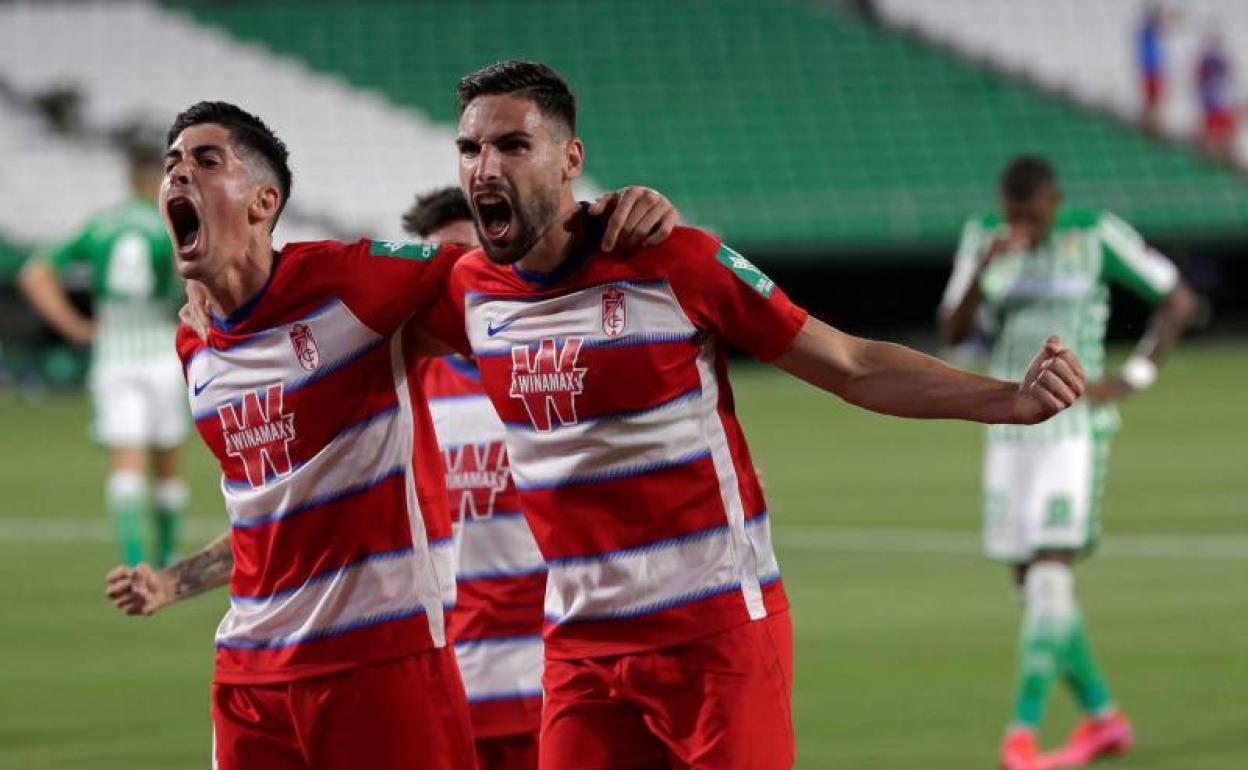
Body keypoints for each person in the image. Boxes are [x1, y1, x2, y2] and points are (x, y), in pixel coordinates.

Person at [418, 60, 1087, 770]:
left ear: (569, 158)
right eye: (470, 149)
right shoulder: (469, 292)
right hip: (581, 650)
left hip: (715, 635)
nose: (485, 166)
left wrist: (1006, 399)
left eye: (513, 145)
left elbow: (852, 366)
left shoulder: (674, 262)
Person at [101, 100, 678, 770]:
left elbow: (512, 279)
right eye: (172, 163)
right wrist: (174, 583)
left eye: (205, 160)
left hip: (378, 662)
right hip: (249, 676)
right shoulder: (195, 344)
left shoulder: (351, 285)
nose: (177, 175)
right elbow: (274, 514)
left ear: (263, 202)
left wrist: (609, 218)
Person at [940, 156, 1196, 770]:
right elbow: (952, 329)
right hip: (1007, 423)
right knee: (1030, 583)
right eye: (1013, 214)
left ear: (1054, 201)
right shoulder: (983, 239)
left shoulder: (1095, 234)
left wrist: (1132, 377)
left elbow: (1177, 300)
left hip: (1071, 428)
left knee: (1052, 569)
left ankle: (1020, 736)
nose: (1023, 224)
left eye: (1032, 214)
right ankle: (1104, 718)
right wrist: (985, 266)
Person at [407, 187, 545, 770]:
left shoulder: (546, 370)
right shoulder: (398, 385)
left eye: (464, 258)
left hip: (547, 687)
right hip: (442, 697)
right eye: (434, 264)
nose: (449, 279)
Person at [19, 133, 188, 568]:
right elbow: (188, 279)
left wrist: (74, 326)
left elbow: (35, 274)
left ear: (128, 178)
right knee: (166, 462)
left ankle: (133, 563)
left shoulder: (101, 224)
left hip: (113, 354)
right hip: (161, 352)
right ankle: (168, 556)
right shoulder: (167, 223)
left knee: (125, 464)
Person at [1136, 4, 1168, 135]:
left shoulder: (1152, 32)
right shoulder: (1147, 31)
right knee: (1151, 100)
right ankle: (1149, 125)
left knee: (1156, 100)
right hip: (1150, 71)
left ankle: (1154, 126)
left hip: (1155, 70)